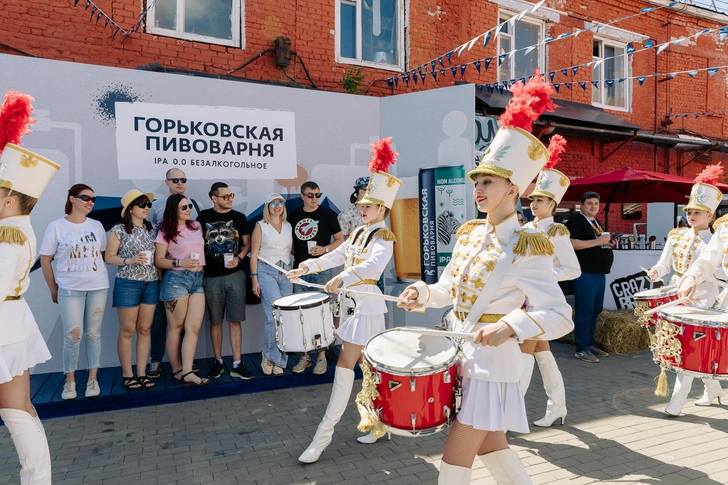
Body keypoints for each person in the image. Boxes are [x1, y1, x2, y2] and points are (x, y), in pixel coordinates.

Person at [398, 75, 573, 484]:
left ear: (513, 188)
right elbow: (449, 291)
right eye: (476, 181)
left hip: (494, 364)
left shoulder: (527, 244)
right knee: (493, 444)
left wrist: (510, 325)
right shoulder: (469, 233)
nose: (478, 188)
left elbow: (559, 314)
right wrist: (420, 292)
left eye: (488, 181)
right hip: (461, 354)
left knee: (456, 455)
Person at [289, 138, 400, 463]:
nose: (362, 208)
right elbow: (337, 254)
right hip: (351, 305)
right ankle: (380, 422)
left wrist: (343, 278)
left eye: (368, 205)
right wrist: (307, 266)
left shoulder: (383, 236)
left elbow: (371, 266)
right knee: (369, 369)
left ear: (382, 209)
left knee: (349, 366)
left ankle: (322, 439)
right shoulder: (359, 232)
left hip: (365, 306)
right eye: (362, 204)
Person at [0, 90, 59, 484]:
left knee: (16, 409)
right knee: (18, 409)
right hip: (12, 323)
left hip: (3, 327)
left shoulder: (8, 234)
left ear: (7, 197)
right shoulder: (17, 229)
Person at [521, 136, 581, 428]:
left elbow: (572, 269)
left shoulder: (557, 231)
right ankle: (557, 407)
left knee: (524, 356)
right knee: (543, 357)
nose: (534, 203)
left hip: (541, 304)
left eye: (540, 200)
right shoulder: (523, 229)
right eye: (532, 198)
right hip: (522, 303)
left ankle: (509, 412)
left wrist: (543, 277)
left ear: (553, 203)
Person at [658, 165, 725, 414]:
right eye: (690, 211)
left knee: (690, 348)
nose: (692, 215)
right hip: (680, 296)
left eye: (698, 212)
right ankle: (713, 388)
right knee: (689, 347)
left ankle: (678, 400)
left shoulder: (718, 235)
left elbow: (718, 271)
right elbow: (671, 264)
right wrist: (662, 273)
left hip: (707, 300)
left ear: (710, 216)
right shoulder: (678, 235)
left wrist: (701, 279)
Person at [40, 183, 109, 400]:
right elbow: (45, 260)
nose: (90, 202)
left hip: (98, 287)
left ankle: (92, 378)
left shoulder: (97, 225)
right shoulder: (57, 226)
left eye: (93, 199)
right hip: (70, 289)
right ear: (71, 199)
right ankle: (69, 381)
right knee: (72, 336)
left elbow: (103, 254)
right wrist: (53, 289)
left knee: (94, 334)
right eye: (85, 197)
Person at [147, 168, 201, 378]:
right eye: (175, 179)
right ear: (166, 182)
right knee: (164, 322)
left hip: (196, 278)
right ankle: (158, 361)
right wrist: (163, 271)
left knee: (190, 326)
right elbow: (154, 243)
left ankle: (185, 366)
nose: (180, 182)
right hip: (170, 275)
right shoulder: (157, 207)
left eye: (183, 179)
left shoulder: (195, 212)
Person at [197, 182, 253, 380]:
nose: (229, 199)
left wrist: (239, 258)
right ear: (214, 198)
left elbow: (247, 245)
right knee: (215, 321)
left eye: (231, 196)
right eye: (225, 196)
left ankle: (237, 362)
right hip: (211, 277)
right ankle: (218, 361)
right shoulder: (203, 217)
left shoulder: (239, 217)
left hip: (235, 275)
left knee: (235, 320)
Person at [288, 181, 345, 375]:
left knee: (322, 314)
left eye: (317, 195)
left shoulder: (327, 214)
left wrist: (325, 249)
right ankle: (305, 356)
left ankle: (321, 357)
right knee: (300, 315)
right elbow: (292, 244)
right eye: (310, 195)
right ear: (302, 196)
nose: (314, 199)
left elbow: (340, 240)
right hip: (300, 271)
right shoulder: (294, 215)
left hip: (322, 271)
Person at [104, 189, 159, 391]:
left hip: (151, 282)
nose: (146, 208)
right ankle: (128, 375)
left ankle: (142, 373)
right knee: (127, 331)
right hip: (128, 282)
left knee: (145, 329)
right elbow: (109, 257)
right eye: (142, 204)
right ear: (130, 209)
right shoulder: (118, 230)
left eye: (148, 205)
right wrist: (130, 260)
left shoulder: (151, 229)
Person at [154, 194, 208, 386]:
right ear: (174, 209)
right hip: (177, 279)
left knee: (193, 327)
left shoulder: (196, 226)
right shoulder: (165, 230)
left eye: (189, 206)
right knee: (175, 328)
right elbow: (158, 260)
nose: (188, 210)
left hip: (197, 278)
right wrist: (179, 262)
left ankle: (187, 371)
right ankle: (178, 370)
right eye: (184, 207)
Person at [565, 191, 614, 363]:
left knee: (595, 310)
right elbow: (571, 243)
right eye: (589, 203)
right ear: (582, 205)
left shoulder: (595, 221)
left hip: (598, 273)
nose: (593, 206)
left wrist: (607, 243)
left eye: (596, 203)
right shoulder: (576, 221)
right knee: (585, 311)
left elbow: (597, 241)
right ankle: (582, 348)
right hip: (584, 273)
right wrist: (597, 242)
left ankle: (589, 343)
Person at [250, 193, 293, 377]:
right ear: (267, 206)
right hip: (266, 271)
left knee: (284, 317)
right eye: (273, 203)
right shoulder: (260, 226)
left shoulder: (288, 226)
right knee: (273, 316)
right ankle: (268, 356)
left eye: (280, 203)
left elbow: (290, 250)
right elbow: (254, 254)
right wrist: (254, 278)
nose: (277, 206)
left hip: (286, 272)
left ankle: (278, 360)